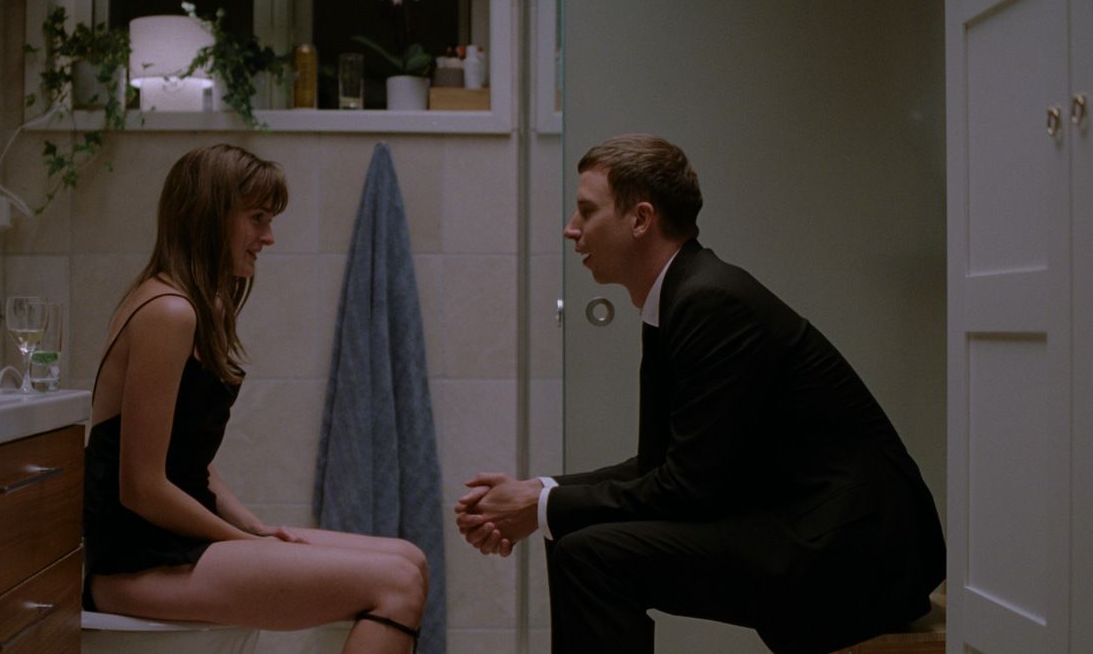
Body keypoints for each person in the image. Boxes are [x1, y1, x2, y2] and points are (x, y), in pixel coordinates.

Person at [454, 134, 945, 653]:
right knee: (574, 538)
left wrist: (540, 505)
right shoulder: (684, 295)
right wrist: (541, 491)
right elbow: (663, 465)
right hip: (815, 527)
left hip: (860, 553)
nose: (571, 228)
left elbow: (687, 488)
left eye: (587, 210)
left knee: (588, 553)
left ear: (641, 219)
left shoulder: (709, 301)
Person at [83, 143, 428, 654]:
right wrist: (242, 542)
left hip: (176, 548)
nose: (269, 237)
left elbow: (187, 457)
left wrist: (252, 525)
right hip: (138, 562)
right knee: (397, 585)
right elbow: (142, 488)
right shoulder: (167, 312)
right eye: (258, 218)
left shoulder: (202, 305)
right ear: (209, 216)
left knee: (409, 557)